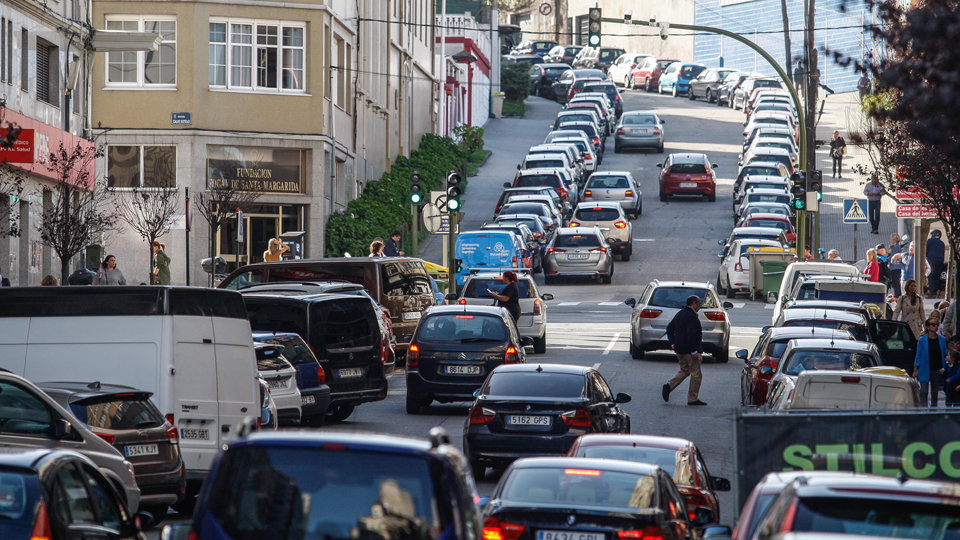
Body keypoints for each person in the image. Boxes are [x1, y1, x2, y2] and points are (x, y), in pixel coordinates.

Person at [662, 295, 707, 406]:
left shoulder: (680, 313)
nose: (700, 306)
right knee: (696, 374)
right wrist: (694, 351)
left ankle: (669, 386)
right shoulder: (692, 316)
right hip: (689, 350)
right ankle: (693, 398)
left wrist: (672, 342)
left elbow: (669, 328)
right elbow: (691, 335)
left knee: (685, 370)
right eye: (699, 304)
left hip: (679, 349)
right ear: (693, 304)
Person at [914, 317, 947, 406]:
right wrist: (915, 369)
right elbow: (918, 355)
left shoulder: (942, 339)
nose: (935, 327)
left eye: (937, 325)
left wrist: (944, 367)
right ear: (928, 327)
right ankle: (924, 410)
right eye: (933, 325)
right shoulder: (922, 340)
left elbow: (945, 354)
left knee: (935, 392)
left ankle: (933, 410)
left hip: (937, 369)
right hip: (924, 368)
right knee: (923, 391)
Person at [927, 229, 946, 297]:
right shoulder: (942, 243)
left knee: (931, 276)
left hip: (931, 260)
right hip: (940, 261)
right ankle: (937, 292)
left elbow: (925, 250)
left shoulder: (929, 241)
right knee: (937, 276)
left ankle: (932, 293)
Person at [888, 234, 904, 299]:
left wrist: (886, 259)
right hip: (895, 267)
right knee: (895, 282)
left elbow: (893, 256)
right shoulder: (896, 246)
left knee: (896, 282)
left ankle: (897, 295)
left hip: (895, 267)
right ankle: (897, 294)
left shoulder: (896, 247)